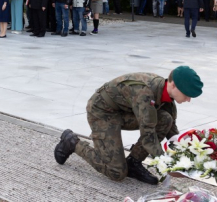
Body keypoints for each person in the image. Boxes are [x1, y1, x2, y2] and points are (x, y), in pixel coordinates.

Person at [54, 66, 203, 185]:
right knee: (116, 172)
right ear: (173, 84)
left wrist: (190, 153)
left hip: (123, 112)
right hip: (102, 112)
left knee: (165, 119)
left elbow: (171, 131)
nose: (188, 99)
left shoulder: (166, 95)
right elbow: (148, 137)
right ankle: (72, 143)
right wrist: (168, 164)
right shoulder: (145, 93)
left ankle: (134, 163)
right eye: (187, 94)